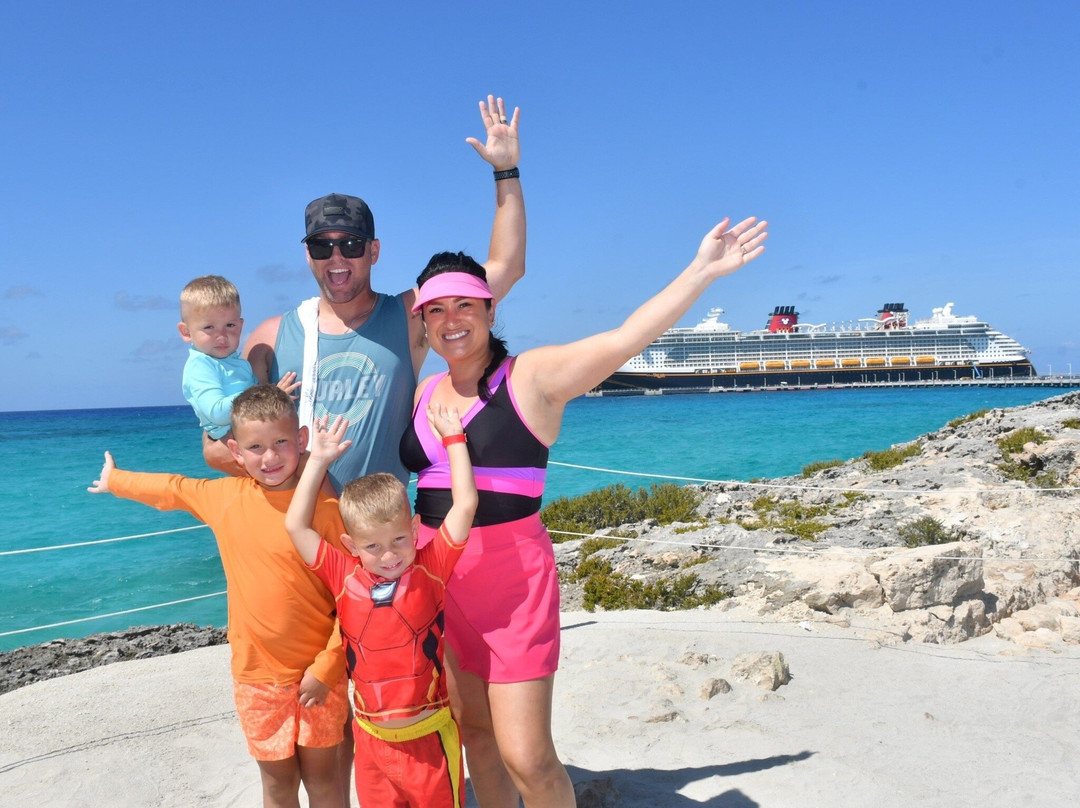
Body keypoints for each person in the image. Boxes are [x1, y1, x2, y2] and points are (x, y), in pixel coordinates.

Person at [399, 216, 769, 808]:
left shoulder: (532, 378)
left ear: (490, 311)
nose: (451, 320)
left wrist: (701, 272)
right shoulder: (422, 392)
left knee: (526, 754)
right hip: (439, 582)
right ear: (422, 321)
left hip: (512, 585)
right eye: (436, 310)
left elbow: (625, 339)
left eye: (464, 305)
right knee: (475, 737)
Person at [207, 95, 526, 491]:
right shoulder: (270, 338)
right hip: (300, 538)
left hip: (381, 545)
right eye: (323, 246)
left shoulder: (412, 317)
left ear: (374, 251)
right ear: (308, 255)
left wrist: (506, 170)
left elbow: (506, 269)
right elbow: (217, 447)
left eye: (352, 245)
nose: (337, 258)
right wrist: (291, 473)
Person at [89, 384, 350, 808]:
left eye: (281, 442)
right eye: (255, 446)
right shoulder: (225, 499)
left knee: (325, 783)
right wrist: (117, 480)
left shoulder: (325, 507)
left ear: (301, 441)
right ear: (235, 451)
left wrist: (328, 666)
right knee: (278, 786)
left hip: (318, 676)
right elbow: (174, 489)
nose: (270, 457)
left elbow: (352, 597)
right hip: (256, 678)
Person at [285, 405, 477, 808]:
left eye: (398, 541)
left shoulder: (433, 566)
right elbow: (296, 527)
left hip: (429, 739)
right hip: (371, 745)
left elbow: (464, 506)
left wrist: (454, 440)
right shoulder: (344, 575)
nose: (388, 556)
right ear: (351, 546)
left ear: (413, 528)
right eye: (372, 547)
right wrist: (317, 461)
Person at [178, 274, 297, 441]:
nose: (221, 335)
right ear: (186, 332)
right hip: (232, 437)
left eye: (230, 325)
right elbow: (217, 413)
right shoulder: (201, 366)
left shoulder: (240, 364)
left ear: (240, 327)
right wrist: (270, 394)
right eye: (209, 327)